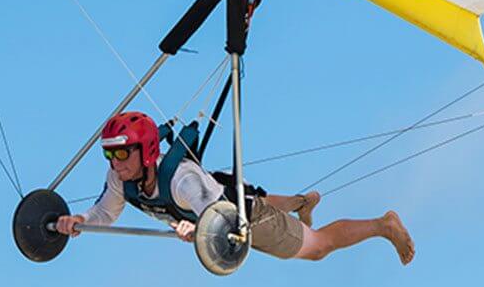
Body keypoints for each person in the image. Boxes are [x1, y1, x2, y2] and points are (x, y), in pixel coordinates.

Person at [54, 112, 414, 265]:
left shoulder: (182, 180)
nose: (115, 162)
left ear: (145, 150)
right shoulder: (120, 177)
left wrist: (197, 230)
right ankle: (302, 202)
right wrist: (79, 221)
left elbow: (220, 217)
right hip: (225, 188)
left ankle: (384, 224)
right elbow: (105, 213)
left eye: (121, 153)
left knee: (318, 246)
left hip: (241, 215)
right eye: (109, 154)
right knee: (260, 199)